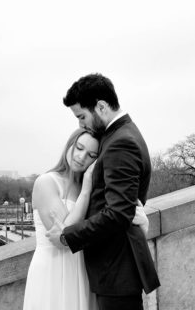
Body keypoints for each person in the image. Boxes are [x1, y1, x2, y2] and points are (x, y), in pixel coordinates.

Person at [46, 73, 160, 310]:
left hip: (116, 269)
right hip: (116, 268)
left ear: (101, 106)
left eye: (82, 116)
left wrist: (67, 236)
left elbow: (118, 214)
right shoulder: (120, 135)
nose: (80, 125)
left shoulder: (120, 142)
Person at [23, 128, 100, 310]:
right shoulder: (46, 182)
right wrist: (86, 190)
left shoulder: (90, 187)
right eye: (79, 147)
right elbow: (65, 237)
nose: (81, 157)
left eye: (91, 155)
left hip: (81, 269)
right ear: (70, 144)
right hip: (51, 269)